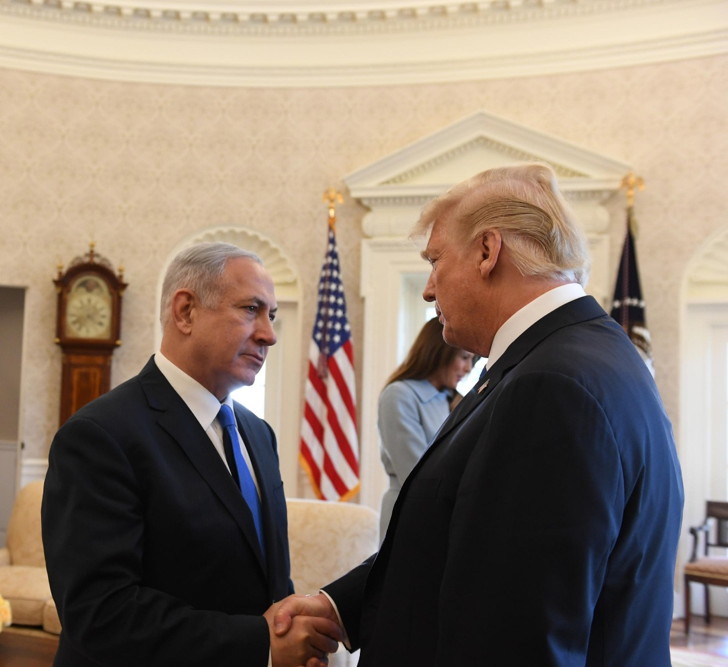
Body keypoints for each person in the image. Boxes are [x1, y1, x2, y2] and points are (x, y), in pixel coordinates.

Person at [273, 163, 684, 665]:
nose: (428, 288)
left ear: (488, 251)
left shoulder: (550, 387)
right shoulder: (578, 355)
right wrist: (339, 607)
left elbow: (518, 639)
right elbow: (462, 542)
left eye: (435, 259)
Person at [41, 242, 341, 666]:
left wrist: (287, 634)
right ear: (185, 311)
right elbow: (100, 613)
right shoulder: (100, 435)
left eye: (271, 315)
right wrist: (259, 644)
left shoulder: (259, 436)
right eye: (251, 309)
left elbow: (267, 579)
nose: (269, 334)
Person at [377, 316, 473, 537]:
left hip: (442, 514)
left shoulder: (452, 399)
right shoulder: (399, 395)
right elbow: (414, 473)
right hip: (410, 515)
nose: (468, 368)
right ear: (439, 351)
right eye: (464, 357)